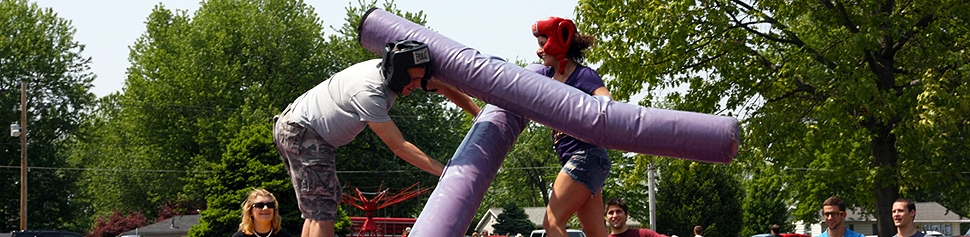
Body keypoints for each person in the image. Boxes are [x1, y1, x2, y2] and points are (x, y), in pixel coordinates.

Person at [272, 39, 481, 237]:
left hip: (301, 130)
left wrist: (478, 114)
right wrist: (447, 173)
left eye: (420, 78)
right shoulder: (369, 93)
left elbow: (444, 87)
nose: (417, 84)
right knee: (322, 208)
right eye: (414, 79)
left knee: (320, 206)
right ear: (398, 74)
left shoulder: (394, 72)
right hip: (304, 132)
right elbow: (399, 146)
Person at [530, 16, 613, 237]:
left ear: (557, 42)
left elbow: (606, 101)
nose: (538, 51)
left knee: (552, 223)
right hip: (587, 159)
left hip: (585, 154)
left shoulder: (582, 75)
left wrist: (581, 111)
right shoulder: (546, 76)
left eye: (541, 44)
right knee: (595, 231)